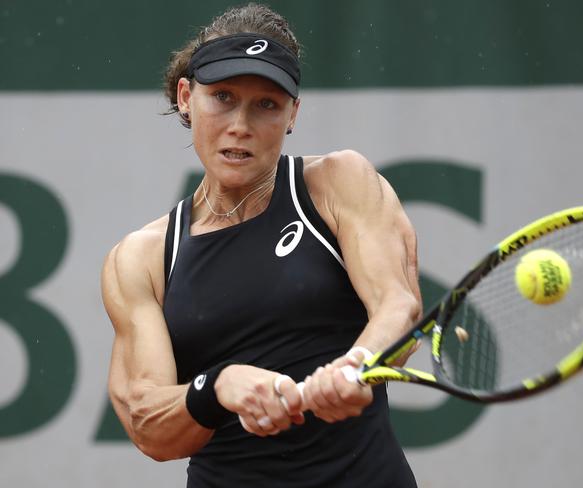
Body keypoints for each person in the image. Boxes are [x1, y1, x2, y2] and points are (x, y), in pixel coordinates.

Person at [101, 3, 422, 487]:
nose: (241, 125)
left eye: (266, 105)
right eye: (223, 97)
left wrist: (358, 366)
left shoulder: (339, 183)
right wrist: (218, 387)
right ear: (187, 97)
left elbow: (398, 306)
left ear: (293, 113)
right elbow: (149, 426)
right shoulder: (141, 257)